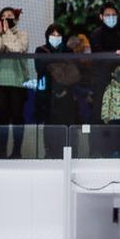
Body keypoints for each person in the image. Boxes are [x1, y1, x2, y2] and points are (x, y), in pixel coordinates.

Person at [0, 7, 33, 158]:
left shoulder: (22, 35)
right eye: (3, 16)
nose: (6, 18)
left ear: (16, 19)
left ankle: (16, 152)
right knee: (2, 117)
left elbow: (17, 48)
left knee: (17, 116)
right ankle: (1, 153)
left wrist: (7, 32)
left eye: (10, 16)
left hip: (17, 81)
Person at [34, 23, 81, 159]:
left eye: (58, 34)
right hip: (47, 97)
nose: (55, 37)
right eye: (52, 34)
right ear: (47, 36)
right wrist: (60, 63)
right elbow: (40, 68)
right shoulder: (40, 50)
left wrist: (52, 64)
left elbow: (74, 73)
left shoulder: (69, 51)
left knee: (68, 126)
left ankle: (70, 156)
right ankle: (50, 155)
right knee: (50, 127)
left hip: (67, 96)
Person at [87, 1, 120, 105]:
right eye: (107, 15)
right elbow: (98, 53)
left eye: (113, 15)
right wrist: (115, 53)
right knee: (100, 107)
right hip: (101, 79)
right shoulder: (96, 34)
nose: (111, 17)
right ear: (101, 17)